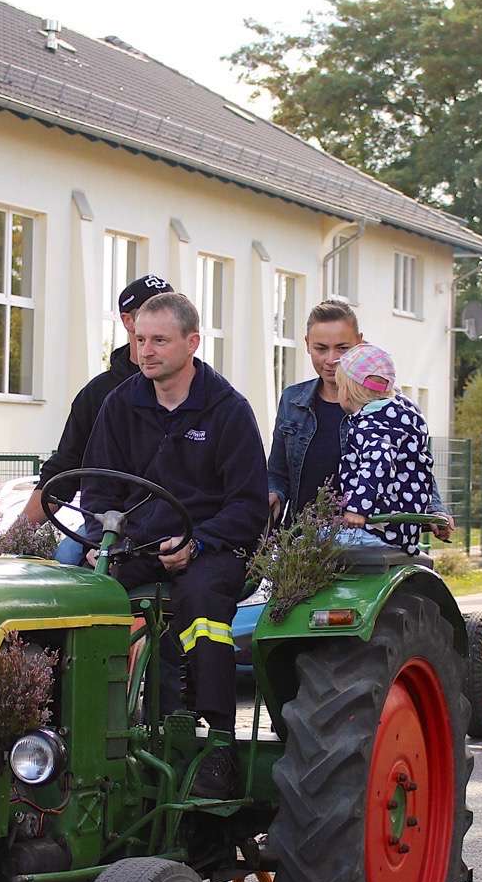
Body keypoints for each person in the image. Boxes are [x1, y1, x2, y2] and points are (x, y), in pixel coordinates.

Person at [80, 292, 267, 798]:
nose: (146, 351)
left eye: (159, 340)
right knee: (82, 598)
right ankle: (77, 743)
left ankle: (217, 746)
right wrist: (100, 541)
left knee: (202, 610)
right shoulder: (121, 406)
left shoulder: (228, 410)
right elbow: (96, 488)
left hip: (211, 548)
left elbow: (248, 508)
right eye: (140, 339)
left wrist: (198, 543)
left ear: (192, 342)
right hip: (135, 545)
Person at [266, 300, 453, 536]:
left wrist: (434, 509)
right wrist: (273, 494)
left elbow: (412, 463)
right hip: (301, 543)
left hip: (365, 541)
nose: (331, 359)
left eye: (343, 348)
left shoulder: (390, 409)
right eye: (321, 348)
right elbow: (277, 472)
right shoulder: (292, 400)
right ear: (307, 344)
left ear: (360, 343)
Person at [22, 274, 174, 562]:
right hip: (108, 526)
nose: (161, 316)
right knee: (66, 562)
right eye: (151, 309)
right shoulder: (99, 394)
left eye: (170, 307)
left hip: (178, 528)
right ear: (128, 321)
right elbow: (64, 471)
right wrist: (10, 537)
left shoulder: (205, 393)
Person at [329, 345, 437, 555]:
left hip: (376, 528)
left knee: (308, 542)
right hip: (402, 530)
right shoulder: (403, 415)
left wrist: (357, 509)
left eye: (339, 387)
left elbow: (379, 461)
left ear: (350, 392)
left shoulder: (370, 425)